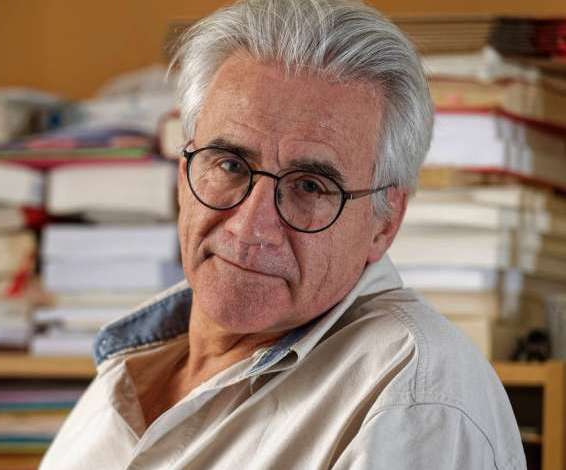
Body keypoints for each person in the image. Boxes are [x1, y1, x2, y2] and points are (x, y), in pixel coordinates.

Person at [40, 0, 526, 468]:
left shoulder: (416, 401)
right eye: (230, 164)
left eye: (310, 186)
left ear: (384, 222)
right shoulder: (127, 372)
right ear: (184, 170)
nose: (250, 227)